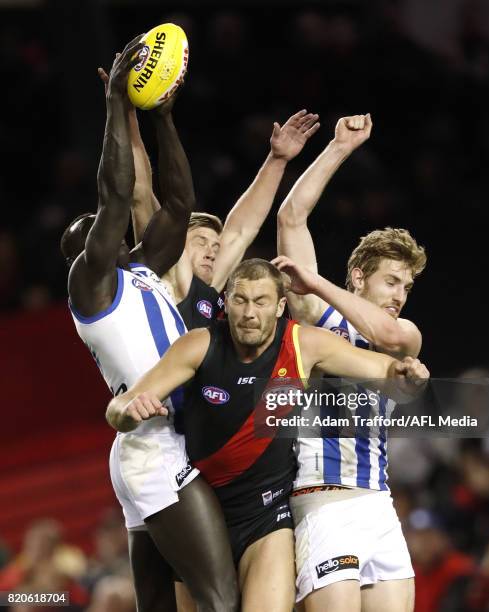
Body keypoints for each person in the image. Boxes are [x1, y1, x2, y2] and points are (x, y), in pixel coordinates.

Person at [105, 258, 429, 612]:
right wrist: (128, 413)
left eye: (260, 302)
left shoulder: (304, 344)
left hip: (267, 515)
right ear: (225, 302)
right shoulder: (199, 344)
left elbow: (386, 371)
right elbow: (119, 407)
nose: (248, 313)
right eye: (240, 300)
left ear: (279, 306)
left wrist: (408, 373)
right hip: (201, 513)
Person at [61, 38, 238, 612]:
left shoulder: (138, 269)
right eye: (90, 232)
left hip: (152, 442)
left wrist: (162, 117)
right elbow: (115, 198)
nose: (102, 230)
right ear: (84, 250)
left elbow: (180, 205)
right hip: (154, 443)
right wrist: (116, 103)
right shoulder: (92, 286)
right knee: (220, 598)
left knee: (160, 604)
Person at [275, 113, 427, 611]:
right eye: (392, 282)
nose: (401, 295)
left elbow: (383, 332)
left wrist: (314, 280)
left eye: (407, 286)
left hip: (377, 501)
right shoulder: (318, 321)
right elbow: (291, 218)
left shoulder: (402, 334)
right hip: (322, 498)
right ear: (359, 276)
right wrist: (339, 148)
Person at [126, 104, 320, 329]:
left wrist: (277, 160)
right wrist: (126, 111)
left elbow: (241, 231)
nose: (211, 253)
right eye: (201, 242)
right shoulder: (158, 273)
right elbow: (140, 190)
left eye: (216, 248)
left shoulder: (206, 295)